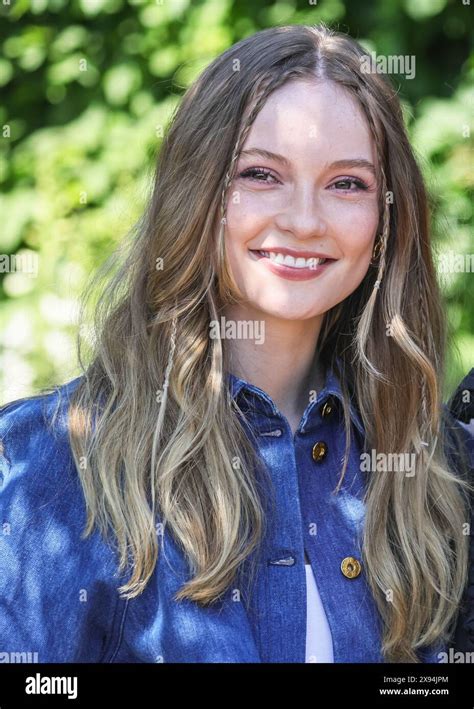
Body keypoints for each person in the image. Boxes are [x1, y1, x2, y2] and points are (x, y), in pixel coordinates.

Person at [0, 23, 473, 664]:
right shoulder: (41, 464)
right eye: (261, 174)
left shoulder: (434, 477)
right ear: (196, 193)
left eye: (347, 184)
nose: (305, 221)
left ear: (388, 217)